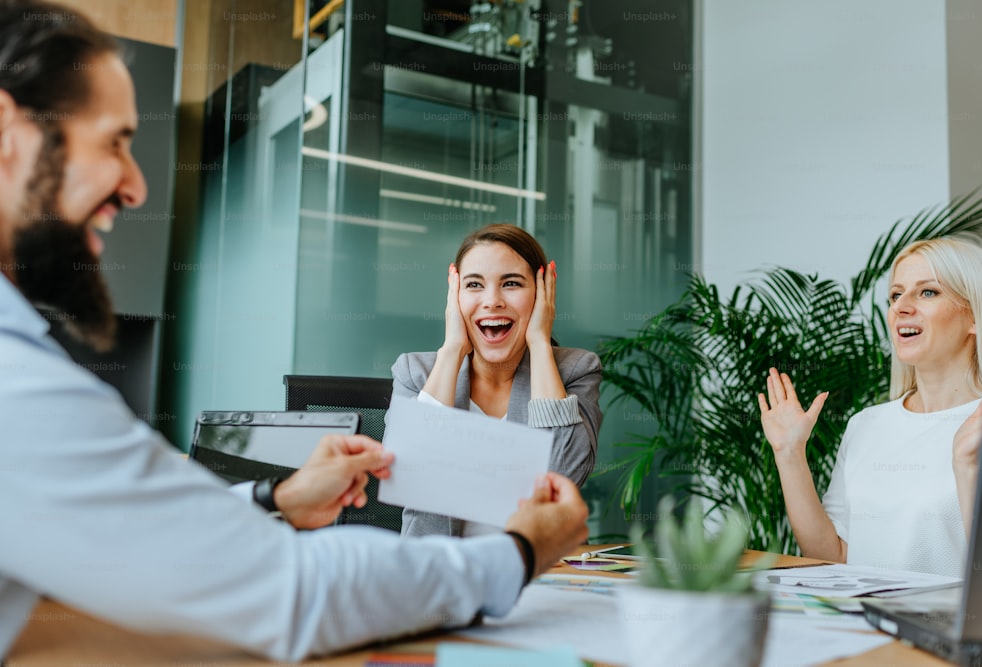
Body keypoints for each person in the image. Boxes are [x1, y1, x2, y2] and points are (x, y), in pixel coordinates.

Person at [0, 2, 589, 661]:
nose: (137, 185)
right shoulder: (15, 386)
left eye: (513, 283)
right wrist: (519, 551)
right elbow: (296, 592)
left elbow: (147, 523)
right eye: (114, 141)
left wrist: (275, 496)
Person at [758, 237, 982, 577]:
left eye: (927, 292)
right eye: (896, 294)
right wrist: (789, 453)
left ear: (975, 316)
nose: (901, 307)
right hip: (865, 626)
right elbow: (834, 556)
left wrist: (969, 469)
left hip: (945, 629)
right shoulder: (865, 424)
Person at [389, 224, 602, 537]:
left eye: (511, 283)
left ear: (543, 291)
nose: (492, 301)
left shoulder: (574, 370)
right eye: (474, 285)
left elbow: (564, 475)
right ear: (455, 295)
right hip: (436, 572)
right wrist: (451, 350)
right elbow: (408, 476)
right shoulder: (416, 372)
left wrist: (540, 344)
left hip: (530, 572)